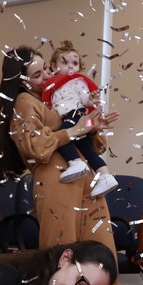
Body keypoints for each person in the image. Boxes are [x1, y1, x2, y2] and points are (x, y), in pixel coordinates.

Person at [0, 46, 121, 285]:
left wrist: (93, 125)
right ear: (23, 80)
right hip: (56, 185)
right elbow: (35, 147)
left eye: (46, 69)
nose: (47, 76)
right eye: (38, 74)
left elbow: (93, 144)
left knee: (105, 266)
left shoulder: (59, 94)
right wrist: (74, 131)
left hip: (89, 184)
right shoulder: (25, 102)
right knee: (60, 270)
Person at [42, 41, 118, 197]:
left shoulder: (76, 81)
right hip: (75, 118)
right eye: (65, 63)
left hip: (75, 114)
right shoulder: (55, 85)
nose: (70, 66)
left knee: (62, 136)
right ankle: (105, 176)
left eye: (75, 63)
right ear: (54, 66)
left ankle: (75, 163)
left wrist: (91, 99)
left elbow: (84, 98)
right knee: (87, 149)